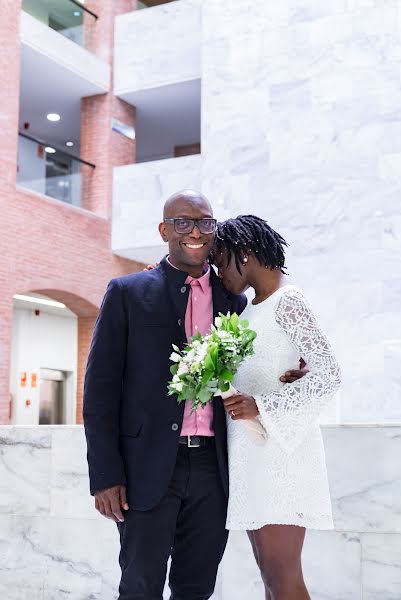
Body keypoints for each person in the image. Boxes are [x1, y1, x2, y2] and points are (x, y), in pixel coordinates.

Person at [83, 192, 306, 600]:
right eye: (182, 222)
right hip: (144, 469)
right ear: (164, 230)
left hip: (214, 470)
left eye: (205, 222)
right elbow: (99, 392)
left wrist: (293, 372)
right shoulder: (128, 293)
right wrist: (105, 475)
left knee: (197, 587)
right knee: (139, 586)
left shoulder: (235, 302)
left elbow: (263, 361)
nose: (195, 232)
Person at [212, 215, 341, 600]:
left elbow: (330, 374)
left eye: (222, 261)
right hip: (252, 455)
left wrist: (261, 405)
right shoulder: (250, 311)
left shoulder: (290, 301)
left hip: (282, 457)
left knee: (282, 578)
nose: (219, 272)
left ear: (246, 254)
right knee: (270, 578)